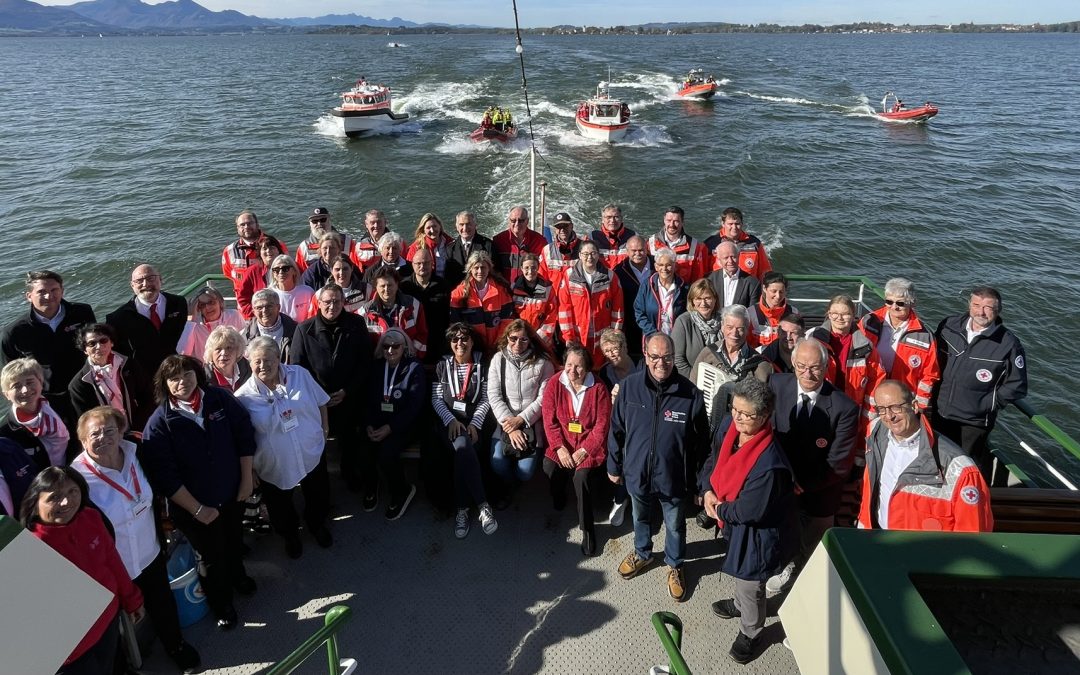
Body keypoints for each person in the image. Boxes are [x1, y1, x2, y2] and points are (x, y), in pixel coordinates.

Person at [72, 407, 201, 673]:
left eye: (109, 430)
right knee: (109, 627)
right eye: (94, 433)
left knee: (162, 603)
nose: (103, 437)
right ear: (83, 441)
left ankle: (175, 646)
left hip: (149, 550)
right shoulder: (76, 479)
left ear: (121, 432)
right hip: (111, 566)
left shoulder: (136, 452)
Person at [140, 354, 257, 631]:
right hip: (193, 507)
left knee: (232, 539)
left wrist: (246, 479)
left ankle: (238, 576)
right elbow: (163, 476)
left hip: (231, 492)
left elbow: (244, 435)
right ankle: (221, 603)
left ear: (198, 374)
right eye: (174, 378)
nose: (183, 381)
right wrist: (197, 509)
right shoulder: (159, 423)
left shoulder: (218, 398)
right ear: (164, 384)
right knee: (210, 556)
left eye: (188, 374)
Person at [700, 378, 798, 664]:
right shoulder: (731, 429)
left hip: (757, 534)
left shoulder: (770, 463)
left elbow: (749, 511)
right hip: (732, 521)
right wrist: (707, 490)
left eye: (746, 414)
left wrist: (717, 510)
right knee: (743, 578)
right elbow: (713, 459)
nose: (738, 418)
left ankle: (752, 631)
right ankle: (742, 606)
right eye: (735, 410)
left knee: (750, 581)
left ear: (765, 416)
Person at [608, 333, 710, 603]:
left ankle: (675, 563)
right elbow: (616, 429)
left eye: (666, 357)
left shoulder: (691, 395)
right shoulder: (629, 388)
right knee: (640, 518)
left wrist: (702, 484)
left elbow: (702, 445)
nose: (661, 363)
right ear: (646, 355)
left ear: (673, 357)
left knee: (675, 525)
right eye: (654, 357)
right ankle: (642, 553)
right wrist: (613, 464)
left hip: (673, 477)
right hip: (636, 473)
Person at [21, 466, 145, 674]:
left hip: (108, 620)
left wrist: (132, 600)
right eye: (54, 497)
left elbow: (112, 561)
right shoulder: (30, 548)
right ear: (35, 504)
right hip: (74, 649)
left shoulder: (91, 517)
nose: (66, 502)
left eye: (73, 491)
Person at [765, 338, 859, 595]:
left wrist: (801, 486)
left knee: (813, 543)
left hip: (820, 488)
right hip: (780, 481)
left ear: (827, 366)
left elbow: (838, 463)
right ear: (793, 363)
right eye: (802, 366)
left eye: (815, 367)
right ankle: (782, 564)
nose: (808, 373)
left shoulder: (845, 408)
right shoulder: (776, 384)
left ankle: (804, 582)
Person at [235, 337, 333, 558]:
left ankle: (317, 525)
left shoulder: (300, 374)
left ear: (278, 358)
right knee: (280, 505)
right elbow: (240, 439)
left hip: (311, 450)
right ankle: (290, 535)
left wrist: (325, 430)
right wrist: (250, 469)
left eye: (269, 359)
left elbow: (321, 400)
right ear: (249, 362)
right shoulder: (242, 398)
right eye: (257, 361)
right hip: (274, 463)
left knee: (317, 493)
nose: (264, 366)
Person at [860, 380, 994, 532]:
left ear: (915, 406)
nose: (889, 416)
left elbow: (973, 533)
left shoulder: (959, 468)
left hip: (923, 552)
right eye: (882, 409)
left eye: (896, 407)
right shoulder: (875, 432)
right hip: (876, 540)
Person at [933, 286, 1027, 482]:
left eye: (987, 307)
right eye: (976, 305)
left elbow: (1017, 385)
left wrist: (987, 404)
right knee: (935, 458)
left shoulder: (1008, 344)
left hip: (973, 422)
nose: (980, 311)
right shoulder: (949, 326)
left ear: (997, 310)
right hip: (939, 411)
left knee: (967, 467)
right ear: (969, 305)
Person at [290, 283, 372, 495]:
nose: (332, 306)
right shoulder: (304, 329)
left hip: (349, 396)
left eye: (336, 301)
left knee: (351, 439)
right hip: (317, 402)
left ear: (343, 302)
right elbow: (298, 368)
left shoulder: (357, 324)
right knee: (317, 443)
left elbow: (364, 362)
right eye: (327, 301)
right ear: (319, 303)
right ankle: (320, 486)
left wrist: (347, 390)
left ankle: (350, 473)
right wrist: (320, 396)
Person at [1, 270, 96, 432]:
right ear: (29, 296)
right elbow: (8, 378)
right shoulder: (14, 333)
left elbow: (95, 347)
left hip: (86, 388)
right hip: (47, 401)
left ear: (62, 291)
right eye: (41, 292)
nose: (48, 296)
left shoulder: (82, 313)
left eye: (54, 290)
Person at [542, 345, 611, 557]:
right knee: (549, 466)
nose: (573, 371)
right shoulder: (555, 383)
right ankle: (559, 493)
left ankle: (587, 529)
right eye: (569, 365)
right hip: (563, 443)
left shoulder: (599, 388)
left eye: (579, 367)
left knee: (581, 479)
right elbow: (549, 420)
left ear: (588, 368)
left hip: (588, 446)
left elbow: (601, 426)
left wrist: (584, 450)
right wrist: (559, 448)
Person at [432, 324, 496, 538]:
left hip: (474, 424)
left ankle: (462, 510)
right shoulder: (442, 364)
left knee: (463, 453)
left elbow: (487, 397)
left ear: (472, 341)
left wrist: (475, 424)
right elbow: (437, 398)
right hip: (448, 424)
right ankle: (482, 504)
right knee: (462, 446)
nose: (460, 343)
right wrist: (450, 420)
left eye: (464, 339)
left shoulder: (482, 364)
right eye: (455, 339)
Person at [488, 320, 556, 504]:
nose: (518, 344)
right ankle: (509, 484)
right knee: (497, 462)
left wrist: (521, 420)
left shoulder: (543, 363)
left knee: (525, 472)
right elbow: (493, 395)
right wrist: (511, 425)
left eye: (524, 340)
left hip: (531, 422)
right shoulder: (498, 360)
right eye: (513, 339)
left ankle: (518, 480)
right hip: (505, 421)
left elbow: (544, 399)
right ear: (506, 338)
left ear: (531, 340)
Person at [806, 294, 886, 441]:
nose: (839, 318)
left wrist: (869, 413)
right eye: (834, 313)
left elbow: (877, 379)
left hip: (851, 406)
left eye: (845, 314)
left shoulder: (865, 346)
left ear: (853, 315)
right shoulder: (814, 339)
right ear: (828, 314)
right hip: (821, 402)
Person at [365, 328, 425, 520]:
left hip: (405, 425)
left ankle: (402, 491)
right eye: (386, 347)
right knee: (362, 447)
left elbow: (414, 406)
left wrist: (390, 428)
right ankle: (371, 486)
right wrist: (369, 424)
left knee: (387, 453)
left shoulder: (414, 367)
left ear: (404, 347)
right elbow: (367, 401)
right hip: (380, 422)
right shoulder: (376, 367)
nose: (390, 351)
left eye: (395, 346)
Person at [859, 278, 941, 410]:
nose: (894, 307)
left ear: (912, 303)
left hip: (902, 399)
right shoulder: (869, 322)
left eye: (900, 303)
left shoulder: (924, 336)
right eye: (889, 302)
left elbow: (929, 375)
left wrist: (920, 406)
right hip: (870, 391)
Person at [690, 304, 772, 424]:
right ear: (722, 327)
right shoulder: (708, 353)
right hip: (707, 420)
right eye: (730, 327)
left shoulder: (760, 365)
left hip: (740, 425)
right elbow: (692, 388)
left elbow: (762, 405)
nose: (734, 333)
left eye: (740, 328)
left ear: (747, 330)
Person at [68, 323, 154, 437]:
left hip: (138, 430)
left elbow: (148, 396)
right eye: (92, 343)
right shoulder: (79, 383)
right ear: (85, 349)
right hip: (107, 438)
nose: (98, 346)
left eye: (103, 340)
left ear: (111, 342)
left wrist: (138, 428)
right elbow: (86, 420)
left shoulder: (129, 365)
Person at [106, 264, 188, 379]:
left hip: (177, 371)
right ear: (132, 285)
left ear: (160, 279)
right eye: (139, 281)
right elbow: (118, 354)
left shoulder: (178, 303)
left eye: (151, 278)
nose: (146, 284)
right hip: (144, 378)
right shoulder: (118, 318)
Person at [557, 240, 624, 367]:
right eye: (586, 253)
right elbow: (564, 309)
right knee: (581, 366)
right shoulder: (569, 276)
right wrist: (569, 337)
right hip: (578, 337)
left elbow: (618, 309)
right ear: (580, 255)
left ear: (598, 255)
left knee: (602, 367)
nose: (589, 257)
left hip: (603, 337)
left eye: (593, 253)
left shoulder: (610, 276)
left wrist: (615, 334)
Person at [2, 358, 71, 466]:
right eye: (17, 386)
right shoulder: (5, 433)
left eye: (30, 382)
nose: (25, 390)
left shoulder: (62, 404)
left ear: (41, 382)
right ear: (6, 395)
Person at [449, 250, 515, 355]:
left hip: (498, 346)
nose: (480, 271)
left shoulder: (501, 291)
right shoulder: (459, 293)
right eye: (476, 268)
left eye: (483, 267)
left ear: (489, 268)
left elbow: (507, 320)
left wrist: (498, 343)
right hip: (470, 349)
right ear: (470, 269)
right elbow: (456, 324)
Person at [359, 267, 429, 360]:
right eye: (382, 286)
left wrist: (410, 355)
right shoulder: (364, 313)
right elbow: (358, 342)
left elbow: (422, 335)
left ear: (397, 284)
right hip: (376, 364)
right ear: (376, 287)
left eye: (390, 285)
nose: (386, 289)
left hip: (406, 361)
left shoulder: (414, 306)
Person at [401, 247, 451, 365]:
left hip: (438, 338)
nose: (422, 266)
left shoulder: (443, 285)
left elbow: (449, 314)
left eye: (426, 263)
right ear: (412, 265)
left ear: (432, 264)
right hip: (413, 339)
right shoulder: (404, 287)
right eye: (418, 263)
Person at [176, 286, 245, 360]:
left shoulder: (234, 316)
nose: (207, 307)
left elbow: (244, 344)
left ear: (220, 302)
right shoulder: (194, 325)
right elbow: (182, 353)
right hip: (204, 368)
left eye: (211, 302)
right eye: (202, 305)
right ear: (198, 308)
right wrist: (191, 320)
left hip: (231, 363)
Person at [704, 207, 772, 282]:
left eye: (737, 224)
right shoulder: (710, 244)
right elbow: (702, 273)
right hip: (718, 290)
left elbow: (765, 271)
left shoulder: (755, 243)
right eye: (730, 224)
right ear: (723, 224)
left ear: (742, 223)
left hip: (749, 290)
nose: (734, 227)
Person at [612, 235, 652, 360]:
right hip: (630, 323)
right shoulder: (619, 271)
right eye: (634, 251)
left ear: (647, 249)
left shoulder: (658, 266)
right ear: (627, 251)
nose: (638, 254)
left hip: (654, 321)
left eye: (641, 250)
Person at [646, 206, 710, 284]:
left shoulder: (694, 245)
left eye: (676, 221)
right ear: (664, 220)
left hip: (683, 291)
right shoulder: (651, 243)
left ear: (682, 222)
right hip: (657, 291)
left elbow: (698, 276)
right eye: (669, 220)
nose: (672, 225)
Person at [634, 248, 687, 341]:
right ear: (656, 266)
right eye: (661, 265)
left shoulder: (684, 287)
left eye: (668, 265)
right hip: (652, 338)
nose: (664, 269)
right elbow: (639, 312)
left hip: (677, 339)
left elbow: (688, 314)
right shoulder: (646, 285)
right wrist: (653, 333)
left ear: (675, 266)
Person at [671, 279, 721, 378]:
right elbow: (677, 360)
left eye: (707, 298)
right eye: (698, 298)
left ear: (715, 299)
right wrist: (697, 381)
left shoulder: (724, 321)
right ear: (692, 301)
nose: (703, 303)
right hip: (690, 383)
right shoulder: (683, 322)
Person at [222, 210, 282, 293]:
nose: (246, 227)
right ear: (237, 228)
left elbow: (287, 267)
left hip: (272, 300)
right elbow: (228, 273)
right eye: (242, 225)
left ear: (257, 225)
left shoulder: (276, 245)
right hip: (244, 300)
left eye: (249, 223)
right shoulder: (229, 251)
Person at [512, 252, 558, 349]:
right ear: (521, 268)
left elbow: (551, 316)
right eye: (526, 268)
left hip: (542, 341)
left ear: (538, 268)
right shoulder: (513, 289)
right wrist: (519, 338)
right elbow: (510, 316)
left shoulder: (548, 288)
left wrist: (539, 339)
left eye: (533, 267)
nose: (530, 271)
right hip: (518, 341)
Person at [492, 205, 546, 285]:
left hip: (530, 292)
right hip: (505, 292)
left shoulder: (540, 241)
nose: (517, 224)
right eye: (513, 220)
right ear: (509, 221)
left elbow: (545, 269)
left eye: (521, 220)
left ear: (527, 221)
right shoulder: (498, 240)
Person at [236, 235, 286, 320]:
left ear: (279, 250)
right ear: (259, 253)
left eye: (272, 247)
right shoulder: (252, 272)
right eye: (264, 249)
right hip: (262, 318)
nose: (268, 251)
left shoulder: (290, 268)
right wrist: (257, 314)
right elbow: (242, 299)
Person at [294, 207, 358, 273]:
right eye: (314, 221)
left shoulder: (347, 242)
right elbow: (300, 274)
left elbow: (356, 266)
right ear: (310, 224)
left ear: (329, 220)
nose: (319, 224)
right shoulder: (304, 247)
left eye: (323, 219)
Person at [244, 288, 299, 362]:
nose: (264, 311)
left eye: (269, 306)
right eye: (259, 308)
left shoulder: (296, 330)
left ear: (278, 308)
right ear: (253, 311)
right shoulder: (244, 335)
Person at [445, 210, 496, 289]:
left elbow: (494, 272)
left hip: (482, 291)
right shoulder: (450, 249)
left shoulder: (488, 245)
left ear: (475, 225)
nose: (465, 228)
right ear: (457, 226)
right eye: (461, 224)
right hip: (458, 293)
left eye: (468, 224)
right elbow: (448, 276)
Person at [747, 272, 798, 349]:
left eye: (781, 292)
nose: (778, 296)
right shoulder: (751, 313)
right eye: (774, 291)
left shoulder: (793, 313)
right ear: (764, 288)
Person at [706, 240, 762, 309]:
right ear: (719, 259)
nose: (730, 261)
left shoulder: (752, 283)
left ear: (739, 256)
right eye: (726, 258)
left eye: (733, 257)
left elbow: (753, 312)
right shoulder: (709, 279)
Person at [267, 254, 316, 323]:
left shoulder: (307, 292)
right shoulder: (268, 295)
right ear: (273, 274)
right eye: (276, 270)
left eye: (285, 269)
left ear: (294, 271)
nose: (281, 272)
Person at [538, 211, 582, 285]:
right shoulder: (547, 250)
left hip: (576, 295)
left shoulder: (584, 248)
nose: (562, 229)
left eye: (565, 225)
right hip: (554, 296)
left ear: (571, 226)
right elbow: (541, 278)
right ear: (555, 229)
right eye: (559, 227)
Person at [202, 326, 250, 392]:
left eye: (229, 348)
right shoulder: (203, 379)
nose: (224, 353)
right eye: (218, 348)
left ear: (238, 350)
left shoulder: (248, 369)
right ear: (211, 353)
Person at [406, 212, 454, 278]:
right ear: (423, 230)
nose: (432, 230)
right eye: (428, 228)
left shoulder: (451, 243)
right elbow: (409, 270)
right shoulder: (416, 247)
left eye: (435, 226)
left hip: (449, 281)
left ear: (440, 226)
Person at [591, 204, 638, 270]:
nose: (612, 221)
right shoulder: (592, 237)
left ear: (621, 219)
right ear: (602, 219)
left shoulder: (633, 237)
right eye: (608, 217)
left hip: (626, 278)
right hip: (602, 278)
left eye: (616, 217)